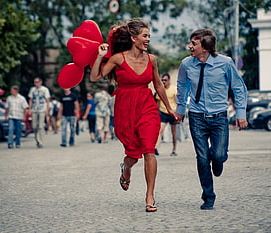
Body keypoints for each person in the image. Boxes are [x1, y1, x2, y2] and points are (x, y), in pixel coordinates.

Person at [90, 18, 176, 212]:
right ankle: (126, 168)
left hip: (147, 107)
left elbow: (159, 85)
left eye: (149, 36)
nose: (148, 39)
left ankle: (150, 196)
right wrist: (99, 56)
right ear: (133, 37)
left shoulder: (151, 59)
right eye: (145, 36)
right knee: (133, 155)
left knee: (149, 150)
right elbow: (95, 77)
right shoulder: (118, 58)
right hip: (125, 110)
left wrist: (169, 109)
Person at [175, 29, 248, 210]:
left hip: (219, 117)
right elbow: (182, 86)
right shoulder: (186, 64)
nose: (190, 46)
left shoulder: (225, 63)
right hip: (197, 117)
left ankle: (217, 161)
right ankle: (208, 196)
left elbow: (238, 87)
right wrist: (180, 109)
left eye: (194, 43)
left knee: (218, 155)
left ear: (205, 47)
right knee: (201, 158)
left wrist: (241, 113)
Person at [155, 73, 178, 156]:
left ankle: (174, 149)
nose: (164, 82)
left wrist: (178, 113)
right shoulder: (161, 89)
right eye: (162, 80)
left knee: (173, 132)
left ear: (169, 80)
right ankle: (156, 148)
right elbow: (158, 102)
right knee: (160, 130)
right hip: (163, 112)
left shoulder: (174, 89)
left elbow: (177, 102)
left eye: (165, 80)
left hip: (172, 113)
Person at [28, 77, 51, 148]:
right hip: (34, 109)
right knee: (34, 126)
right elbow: (31, 99)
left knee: (41, 126)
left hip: (42, 109)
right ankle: (37, 139)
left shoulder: (45, 89)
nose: (36, 83)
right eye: (35, 82)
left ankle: (40, 141)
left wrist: (47, 109)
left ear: (41, 82)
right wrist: (29, 109)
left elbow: (47, 100)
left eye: (37, 82)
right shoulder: (32, 89)